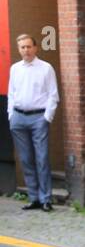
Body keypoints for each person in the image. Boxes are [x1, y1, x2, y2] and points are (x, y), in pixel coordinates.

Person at [7, 34, 59, 212]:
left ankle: (46, 198)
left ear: (35, 48)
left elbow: (53, 95)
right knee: (26, 159)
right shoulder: (15, 69)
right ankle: (34, 197)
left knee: (42, 158)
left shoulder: (46, 68)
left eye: (29, 47)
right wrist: (10, 115)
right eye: (22, 47)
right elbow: (11, 93)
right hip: (18, 117)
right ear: (18, 49)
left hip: (38, 117)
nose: (26, 50)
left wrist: (47, 117)